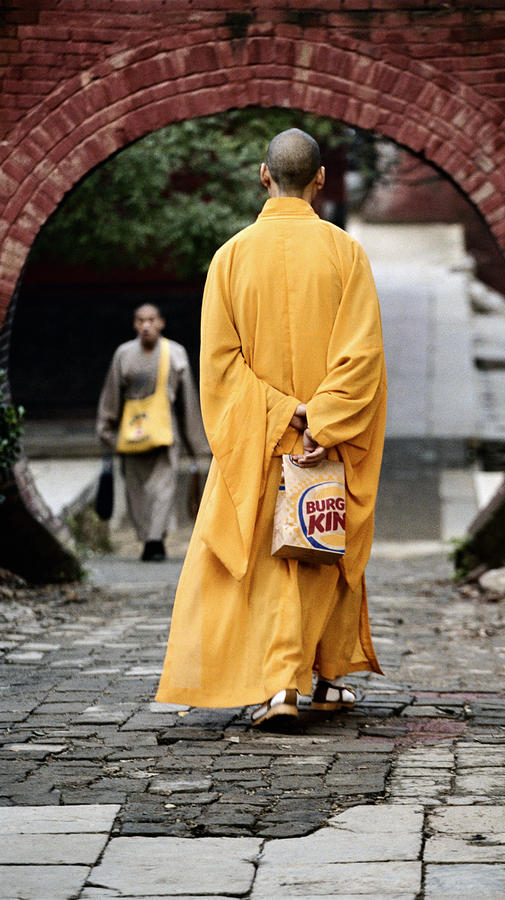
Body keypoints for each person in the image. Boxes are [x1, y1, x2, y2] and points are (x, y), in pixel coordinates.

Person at [155, 128, 386, 727]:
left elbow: (219, 364)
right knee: (323, 547)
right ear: (320, 180)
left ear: (264, 175)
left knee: (271, 558)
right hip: (324, 441)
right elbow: (361, 356)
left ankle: (297, 684)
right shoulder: (346, 254)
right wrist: (324, 419)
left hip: (261, 435)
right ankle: (311, 680)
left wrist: (284, 414)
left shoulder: (230, 258)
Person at [96, 303, 208, 561]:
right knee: (135, 489)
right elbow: (112, 394)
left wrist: (196, 443)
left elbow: (188, 400)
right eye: (140, 320)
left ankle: (154, 541)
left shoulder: (175, 353)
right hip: (131, 431)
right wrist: (106, 428)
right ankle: (147, 537)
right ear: (134, 324)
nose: (146, 325)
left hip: (166, 432)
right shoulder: (123, 354)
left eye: (151, 320)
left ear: (161, 323)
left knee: (163, 488)